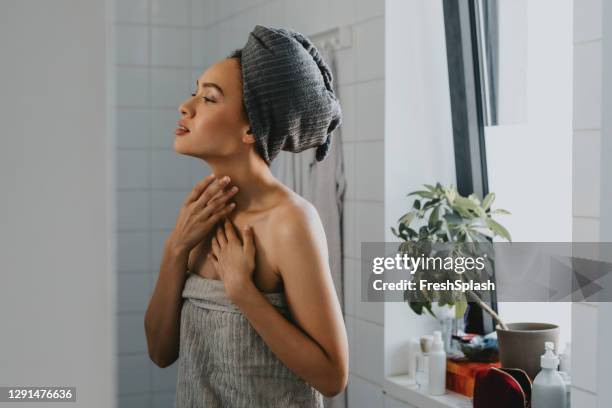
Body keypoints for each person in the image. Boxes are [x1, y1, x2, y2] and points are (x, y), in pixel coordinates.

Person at [144, 25, 348, 408]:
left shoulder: (290, 222)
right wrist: (176, 248)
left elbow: (333, 376)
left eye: (209, 98)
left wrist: (244, 292)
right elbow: (159, 352)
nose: (186, 106)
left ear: (251, 127)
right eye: (195, 92)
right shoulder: (201, 214)